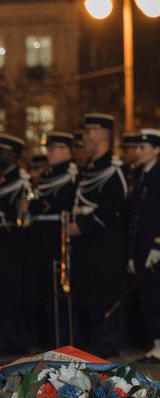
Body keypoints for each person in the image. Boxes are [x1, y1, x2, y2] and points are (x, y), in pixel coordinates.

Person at [69, 113, 128, 357]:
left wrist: (81, 226)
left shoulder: (114, 171)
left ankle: (107, 345)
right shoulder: (90, 169)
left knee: (104, 295)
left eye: (89, 132)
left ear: (102, 133)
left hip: (106, 247)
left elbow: (111, 209)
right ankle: (94, 343)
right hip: (87, 248)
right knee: (89, 294)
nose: (85, 137)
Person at [26, 132, 79, 347]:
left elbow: (60, 202)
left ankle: (66, 339)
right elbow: (37, 203)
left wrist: (39, 205)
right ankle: (49, 337)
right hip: (40, 235)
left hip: (56, 233)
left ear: (66, 150)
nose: (49, 153)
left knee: (59, 288)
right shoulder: (48, 175)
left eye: (53, 149)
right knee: (43, 290)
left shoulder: (71, 174)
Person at [0, 134, 29, 355]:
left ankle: (14, 341)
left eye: (0, 151)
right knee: (0, 293)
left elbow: (17, 215)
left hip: (12, 245)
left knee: (11, 293)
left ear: (11, 154)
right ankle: (5, 338)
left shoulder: (20, 181)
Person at [126, 129, 160, 361]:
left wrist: (157, 246)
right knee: (147, 296)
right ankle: (155, 343)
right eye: (137, 148)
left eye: (143, 148)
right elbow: (134, 215)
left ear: (156, 150)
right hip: (140, 244)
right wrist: (131, 253)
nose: (138, 152)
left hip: (155, 245)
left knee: (156, 294)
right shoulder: (140, 174)